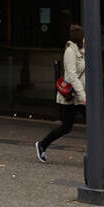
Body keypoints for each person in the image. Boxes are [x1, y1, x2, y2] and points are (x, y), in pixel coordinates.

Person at [35, 24, 86, 161]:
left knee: (93, 125)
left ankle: (96, 157)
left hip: (80, 96)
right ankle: (42, 144)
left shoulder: (82, 51)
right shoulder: (70, 52)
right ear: (79, 38)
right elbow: (71, 76)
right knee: (66, 127)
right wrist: (83, 95)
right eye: (84, 37)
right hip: (73, 96)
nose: (85, 40)